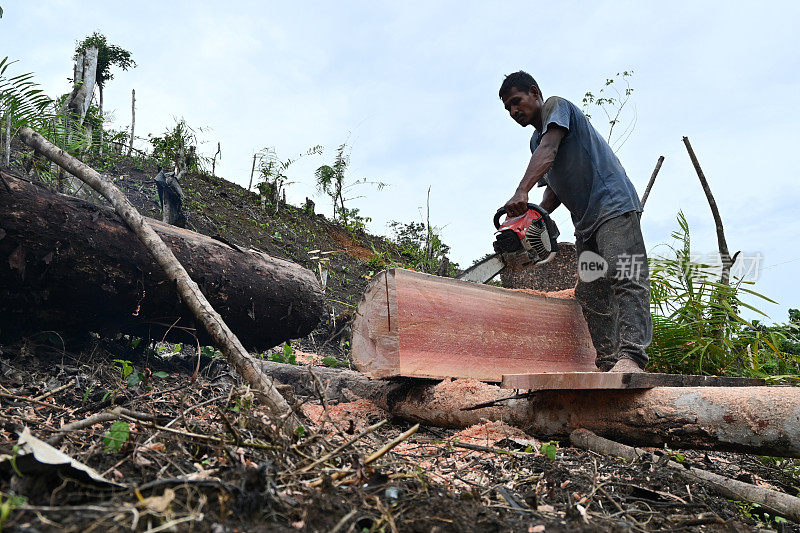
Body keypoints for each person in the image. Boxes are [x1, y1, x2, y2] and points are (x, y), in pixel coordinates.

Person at [498, 71, 651, 373]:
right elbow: (554, 184)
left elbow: (550, 150)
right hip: (585, 222)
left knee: (625, 274)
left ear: (534, 92)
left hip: (613, 205)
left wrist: (521, 191)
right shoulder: (535, 142)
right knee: (592, 290)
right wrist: (537, 215)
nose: (514, 111)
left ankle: (631, 357)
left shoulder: (557, 107)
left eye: (516, 102)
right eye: (508, 109)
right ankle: (608, 363)